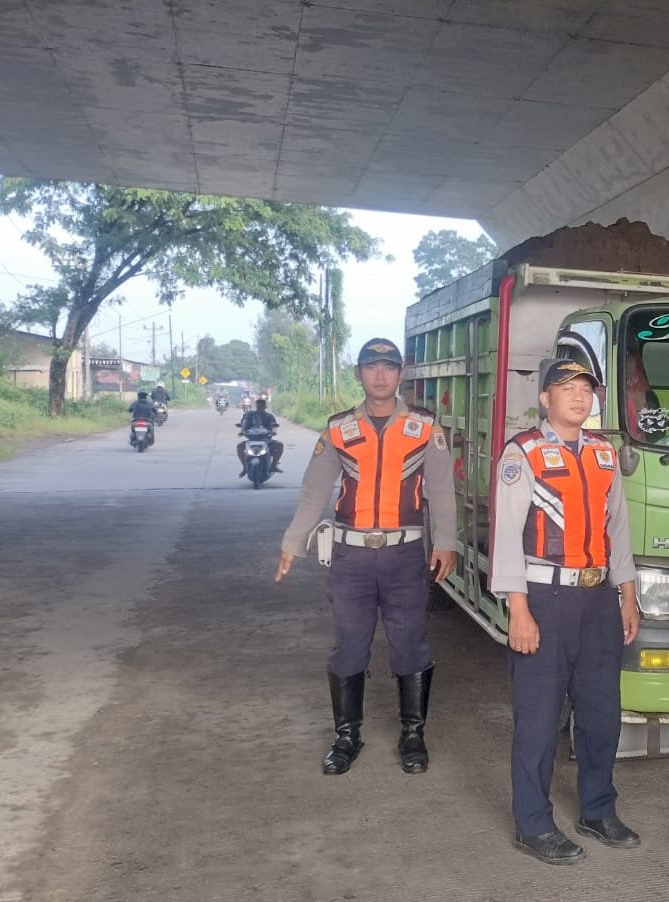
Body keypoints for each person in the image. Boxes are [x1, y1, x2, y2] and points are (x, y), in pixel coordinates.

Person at [274, 338, 458, 776]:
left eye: (389, 367)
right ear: (358, 374)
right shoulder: (338, 429)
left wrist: (446, 541)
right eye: (371, 366)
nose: (380, 374)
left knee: (410, 643)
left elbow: (442, 491)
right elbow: (314, 492)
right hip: (351, 557)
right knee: (349, 645)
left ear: (400, 375)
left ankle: (413, 734)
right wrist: (292, 542)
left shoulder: (424, 427)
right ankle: (346, 736)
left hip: (405, 554)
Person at [490, 357, 641, 865]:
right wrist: (518, 609)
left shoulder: (602, 454)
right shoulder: (523, 454)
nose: (579, 396)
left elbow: (616, 530)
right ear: (545, 399)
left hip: (598, 600)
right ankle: (533, 823)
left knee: (601, 715)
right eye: (566, 387)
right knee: (537, 720)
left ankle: (598, 809)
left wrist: (628, 594)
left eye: (586, 388)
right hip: (544, 600)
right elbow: (506, 534)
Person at [236, 398, 285, 476]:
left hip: (266, 440)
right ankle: (245, 467)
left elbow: (274, 425)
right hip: (251, 440)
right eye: (258, 406)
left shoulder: (269, 416)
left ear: (265, 407)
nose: (260, 408)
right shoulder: (249, 414)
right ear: (256, 406)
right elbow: (244, 423)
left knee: (280, 445)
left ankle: (274, 465)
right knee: (239, 446)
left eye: (261, 406)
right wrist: (242, 431)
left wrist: (274, 432)